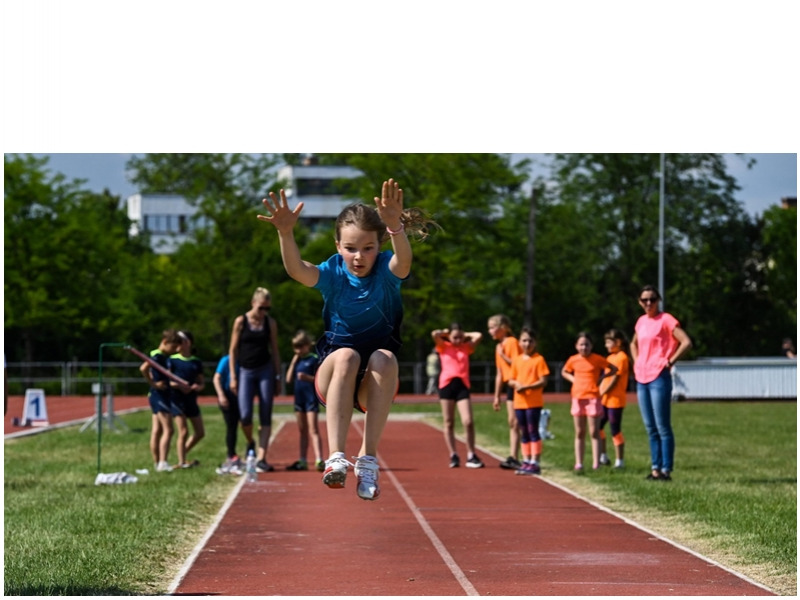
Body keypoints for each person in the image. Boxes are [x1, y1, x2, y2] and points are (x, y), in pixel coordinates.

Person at [258, 178, 436, 501]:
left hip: (375, 383)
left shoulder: (386, 270)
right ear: (337, 246)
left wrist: (394, 226)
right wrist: (285, 233)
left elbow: (404, 262)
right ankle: (336, 456)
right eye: (351, 248)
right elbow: (298, 270)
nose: (359, 257)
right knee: (346, 355)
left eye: (368, 248)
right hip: (334, 377)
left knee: (385, 357)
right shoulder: (333, 274)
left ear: (379, 246)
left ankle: (368, 461)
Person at [630, 285, 692, 482]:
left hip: (659, 375)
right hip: (642, 376)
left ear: (658, 300)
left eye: (652, 299)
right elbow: (633, 343)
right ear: (640, 302)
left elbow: (686, 342)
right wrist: (637, 360)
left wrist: (670, 361)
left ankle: (666, 469)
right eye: (644, 300)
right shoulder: (641, 321)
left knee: (662, 425)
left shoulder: (666, 319)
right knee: (650, 427)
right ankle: (655, 468)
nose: (649, 303)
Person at [228, 287, 282, 473]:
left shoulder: (270, 323)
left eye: (267, 309)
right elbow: (233, 350)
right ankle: (250, 441)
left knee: (266, 411)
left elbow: (275, 349)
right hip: (245, 370)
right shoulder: (240, 321)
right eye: (261, 308)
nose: (263, 313)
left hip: (265, 370)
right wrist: (233, 376)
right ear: (253, 304)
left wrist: (277, 376)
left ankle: (261, 457)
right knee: (245, 415)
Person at [561, 332, 617, 472]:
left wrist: (601, 378)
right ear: (576, 346)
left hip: (593, 397)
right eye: (581, 344)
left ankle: (596, 463)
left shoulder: (597, 359)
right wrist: (573, 379)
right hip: (578, 397)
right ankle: (579, 463)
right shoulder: (573, 360)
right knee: (580, 432)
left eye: (586, 344)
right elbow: (564, 371)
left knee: (594, 432)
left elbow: (614, 369)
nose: (584, 347)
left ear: (591, 346)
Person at [432, 323, 485, 469]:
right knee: (449, 421)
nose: (458, 340)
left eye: (460, 337)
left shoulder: (466, 347)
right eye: (455, 337)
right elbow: (434, 334)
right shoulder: (443, 346)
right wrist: (446, 333)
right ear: (449, 337)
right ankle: (453, 454)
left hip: (462, 385)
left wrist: (464, 334)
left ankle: (471, 454)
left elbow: (479, 335)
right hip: (447, 385)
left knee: (468, 421)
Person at [508, 327, 549, 475]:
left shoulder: (539, 360)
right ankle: (526, 460)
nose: (527, 344)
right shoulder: (517, 360)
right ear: (519, 342)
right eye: (524, 340)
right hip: (519, 402)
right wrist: (517, 385)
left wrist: (528, 386)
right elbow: (511, 379)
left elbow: (543, 380)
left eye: (530, 341)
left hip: (533, 402)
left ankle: (535, 461)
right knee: (524, 431)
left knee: (533, 431)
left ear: (535, 342)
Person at [139, 329, 182, 472]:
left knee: (157, 430)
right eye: (173, 346)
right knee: (168, 430)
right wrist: (153, 384)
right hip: (159, 395)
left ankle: (157, 463)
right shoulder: (157, 356)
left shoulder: (164, 357)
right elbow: (144, 368)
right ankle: (162, 462)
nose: (175, 350)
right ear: (165, 342)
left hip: (162, 394)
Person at [285, 330, 324, 472]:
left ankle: (319, 458)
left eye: (301, 346)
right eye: (296, 347)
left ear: (308, 345)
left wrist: (308, 378)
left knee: (313, 429)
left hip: (310, 399)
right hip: (299, 399)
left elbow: (321, 380)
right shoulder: (297, 361)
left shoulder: (314, 359)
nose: (298, 350)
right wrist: (293, 361)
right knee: (302, 431)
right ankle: (303, 459)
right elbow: (288, 379)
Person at [487, 314, 522, 470]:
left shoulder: (512, 342)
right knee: (512, 422)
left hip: (519, 384)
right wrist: (496, 396)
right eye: (489, 328)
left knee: (517, 422)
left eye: (493, 327)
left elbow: (517, 364)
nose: (490, 331)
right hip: (509, 386)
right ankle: (513, 456)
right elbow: (499, 373)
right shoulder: (498, 346)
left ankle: (521, 456)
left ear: (503, 328)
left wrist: (503, 355)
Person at [169, 330, 206, 468]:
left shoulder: (196, 362)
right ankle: (182, 461)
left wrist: (197, 386)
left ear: (188, 343)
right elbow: (167, 381)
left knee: (200, 432)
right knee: (183, 430)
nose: (178, 344)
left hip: (191, 399)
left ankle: (182, 453)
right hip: (177, 399)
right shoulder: (172, 360)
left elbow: (202, 383)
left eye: (181, 341)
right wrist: (179, 385)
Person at [598, 328, 630, 469]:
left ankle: (620, 461)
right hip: (605, 399)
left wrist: (602, 391)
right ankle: (603, 455)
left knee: (615, 429)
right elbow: (605, 377)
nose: (606, 345)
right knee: (598, 427)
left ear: (618, 342)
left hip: (615, 400)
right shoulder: (609, 358)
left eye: (608, 342)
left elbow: (615, 380)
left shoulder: (622, 357)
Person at [212, 354, 243, 476]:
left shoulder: (245, 359)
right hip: (228, 395)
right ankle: (231, 455)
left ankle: (250, 452)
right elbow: (216, 378)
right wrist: (221, 395)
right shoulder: (226, 360)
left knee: (246, 423)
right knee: (232, 426)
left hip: (241, 395)